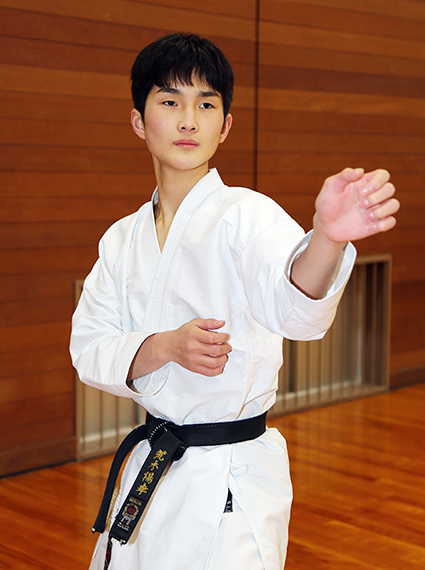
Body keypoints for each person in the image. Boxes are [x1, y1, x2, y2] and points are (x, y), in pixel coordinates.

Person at [70, 33, 399, 570]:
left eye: (206, 105)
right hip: (153, 464)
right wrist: (166, 346)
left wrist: (326, 238)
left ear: (225, 126)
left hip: (230, 477)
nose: (188, 121)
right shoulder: (120, 239)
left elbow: (293, 305)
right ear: (139, 121)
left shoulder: (247, 214)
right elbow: (89, 348)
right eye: (170, 101)